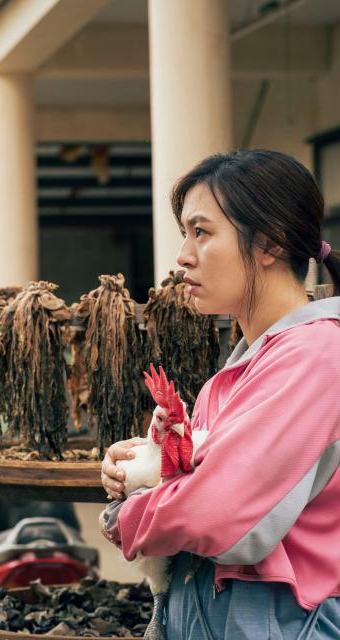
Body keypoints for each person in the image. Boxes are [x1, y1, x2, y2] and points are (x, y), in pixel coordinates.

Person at [100, 150, 340, 639]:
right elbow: (204, 486)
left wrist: (125, 515)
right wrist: (147, 463)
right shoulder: (241, 368)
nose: (183, 256)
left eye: (201, 232)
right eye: (185, 233)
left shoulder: (316, 354)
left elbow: (220, 518)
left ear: (269, 242)